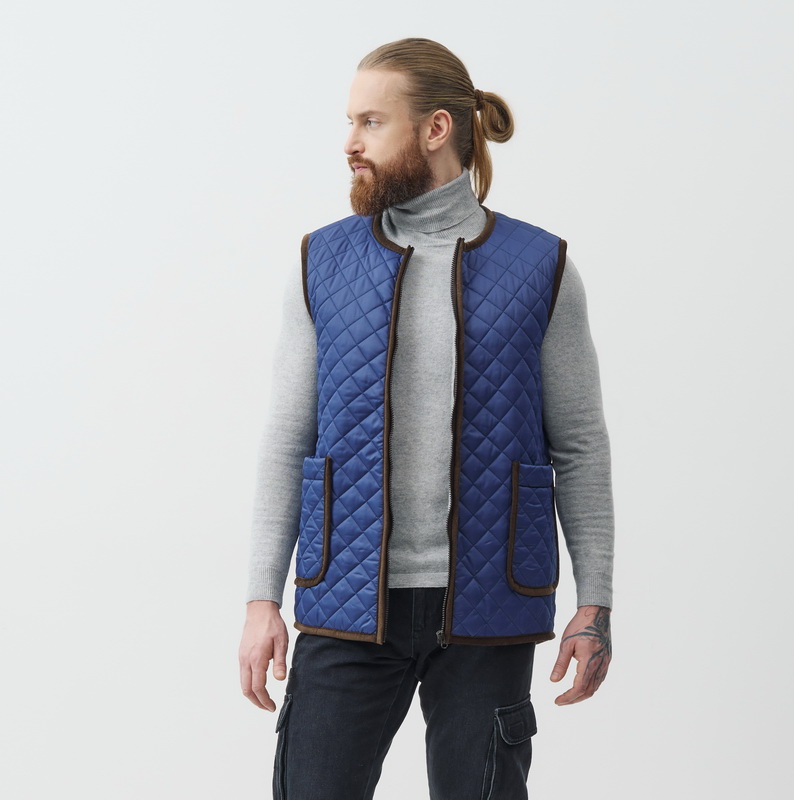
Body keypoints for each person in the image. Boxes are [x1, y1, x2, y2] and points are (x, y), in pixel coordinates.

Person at [239, 37, 614, 800]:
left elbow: (578, 445)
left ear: (436, 129)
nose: (350, 142)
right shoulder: (321, 263)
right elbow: (287, 437)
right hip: (346, 606)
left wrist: (594, 604)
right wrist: (261, 600)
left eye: (371, 122)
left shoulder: (541, 268)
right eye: (350, 122)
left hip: (488, 609)